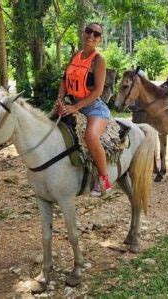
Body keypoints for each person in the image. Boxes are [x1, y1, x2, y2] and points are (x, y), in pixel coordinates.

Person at [55, 22, 111, 197]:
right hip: (72, 103)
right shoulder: (75, 55)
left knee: (91, 137)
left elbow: (98, 92)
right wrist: (60, 99)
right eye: (89, 31)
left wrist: (75, 107)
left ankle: (104, 179)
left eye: (96, 34)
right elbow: (64, 81)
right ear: (83, 32)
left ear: (100, 39)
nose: (91, 36)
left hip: (94, 108)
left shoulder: (98, 60)